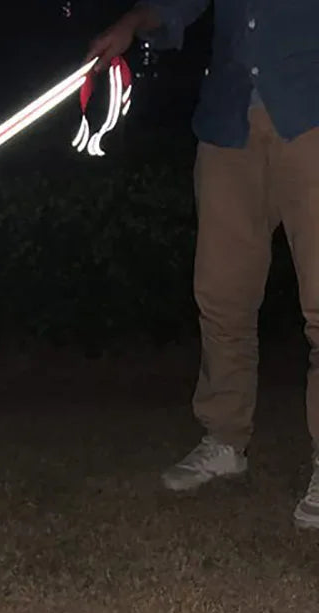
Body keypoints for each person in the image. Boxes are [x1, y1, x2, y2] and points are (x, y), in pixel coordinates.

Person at [87, 2, 319, 527]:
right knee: (221, 295)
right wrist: (131, 25)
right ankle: (224, 438)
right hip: (228, 122)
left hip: (312, 113)